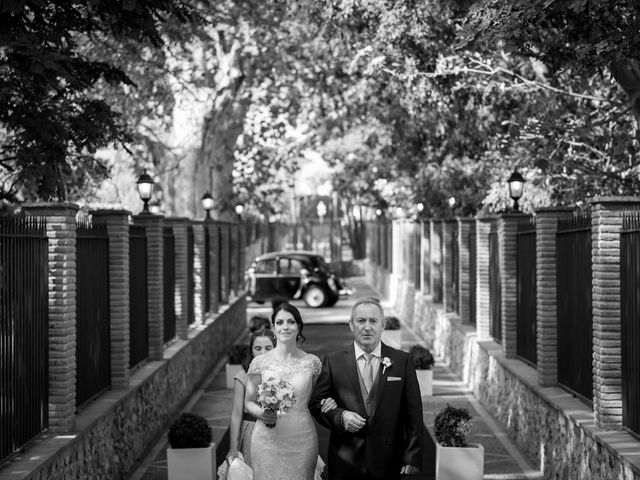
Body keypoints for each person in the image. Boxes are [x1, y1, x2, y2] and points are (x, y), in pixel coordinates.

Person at [309, 297, 424, 480]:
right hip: (345, 460)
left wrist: (412, 455)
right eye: (361, 321)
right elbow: (316, 403)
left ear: (383, 325)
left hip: (389, 460)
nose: (367, 327)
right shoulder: (333, 361)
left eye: (373, 321)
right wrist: (341, 416)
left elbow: (414, 413)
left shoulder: (402, 361)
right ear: (351, 325)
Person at [244, 302, 335, 480]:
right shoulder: (260, 362)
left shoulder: (312, 363)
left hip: (302, 438)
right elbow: (248, 402)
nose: (285, 327)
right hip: (267, 439)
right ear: (273, 327)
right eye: (279, 322)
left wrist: (328, 401)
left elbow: (318, 398)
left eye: (291, 322)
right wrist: (262, 413)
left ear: (299, 326)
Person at [223, 328, 277, 473]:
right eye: (257, 348)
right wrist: (233, 448)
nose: (262, 353)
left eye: (268, 348)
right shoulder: (243, 376)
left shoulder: (283, 373)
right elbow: (236, 414)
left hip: (280, 431)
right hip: (252, 432)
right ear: (251, 351)